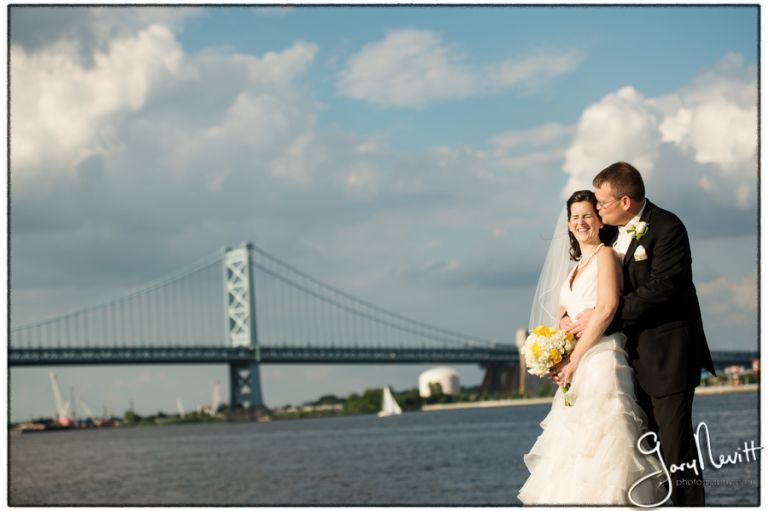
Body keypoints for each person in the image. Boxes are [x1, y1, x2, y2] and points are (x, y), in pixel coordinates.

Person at [562, 162, 716, 506]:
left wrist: (604, 317)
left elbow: (663, 289)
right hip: (628, 363)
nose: (598, 210)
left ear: (626, 201)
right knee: (644, 453)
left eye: (603, 204)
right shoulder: (612, 237)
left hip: (668, 358)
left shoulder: (668, 228)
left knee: (677, 451)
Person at [518, 190, 663, 505]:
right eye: (575, 217)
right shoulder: (571, 271)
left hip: (601, 359)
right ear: (568, 224)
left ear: (599, 219)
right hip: (576, 370)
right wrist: (556, 357)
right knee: (574, 448)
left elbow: (607, 308)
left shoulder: (606, 256)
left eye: (587, 215)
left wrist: (575, 359)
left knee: (607, 442)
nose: (581, 222)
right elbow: (561, 324)